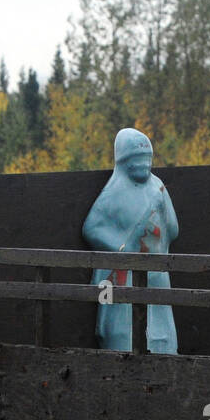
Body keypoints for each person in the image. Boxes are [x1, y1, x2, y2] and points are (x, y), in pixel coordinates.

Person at [82, 128, 180, 353]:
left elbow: (173, 228)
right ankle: (123, 358)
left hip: (156, 272)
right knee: (123, 330)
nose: (143, 166)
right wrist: (122, 248)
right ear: (124, 161)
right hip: (125, 275)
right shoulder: (114, 192)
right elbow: (92, 228)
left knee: (161, 327)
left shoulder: (158, 187)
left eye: (147, 160)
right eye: (136, 160)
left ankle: (164, 355)